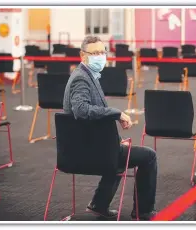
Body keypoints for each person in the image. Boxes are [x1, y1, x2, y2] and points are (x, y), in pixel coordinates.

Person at [63, 35, 157, 220]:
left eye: (102, 52)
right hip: (87, 151)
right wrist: (116, 113)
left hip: (86, 145)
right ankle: (144, 211)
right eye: (95, 53)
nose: (100, 56)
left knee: (120, 152)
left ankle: (99, 204)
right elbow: (81, 110)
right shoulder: (81, 79)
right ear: (83, 56)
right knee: (148, 156)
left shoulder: (88, 75)